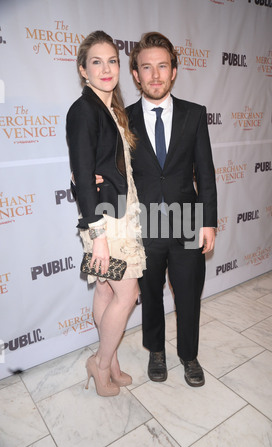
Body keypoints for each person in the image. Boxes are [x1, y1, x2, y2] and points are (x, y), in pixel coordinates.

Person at [97, 32, 217, 387]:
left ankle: (189, 355)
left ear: (174, 71)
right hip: (143, 224)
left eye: (162, 66)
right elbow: (112, 171)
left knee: (189, 293)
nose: (154, 75)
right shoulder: (123, 118)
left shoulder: (195, 115)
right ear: (135, 74)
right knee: (148, 294)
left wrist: (209, 221)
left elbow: (206, 172)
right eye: (146, 68)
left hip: (187, 222)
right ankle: (156, 351)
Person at [66, 31, 146, 397]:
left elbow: (105, 168)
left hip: (119, 215)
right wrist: (98, 237)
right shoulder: (82, 111)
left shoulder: (111, 108)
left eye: (112, 60)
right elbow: (83, 176)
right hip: (106, 224)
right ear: (83, 70)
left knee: (103, 290)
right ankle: (100, 365)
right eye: (96, 62)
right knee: (126, 295)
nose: (106, 68)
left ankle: (110, 361)